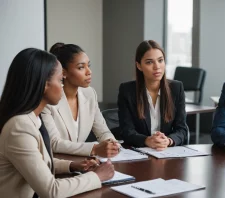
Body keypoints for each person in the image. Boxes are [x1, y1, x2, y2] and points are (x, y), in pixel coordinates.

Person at [0, 48, 115, 197]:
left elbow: (39, 161)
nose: (63, 86)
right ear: (44, 84)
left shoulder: (30, 119)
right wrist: (97, 176)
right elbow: (51, 190)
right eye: (60, 80)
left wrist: (73, 165)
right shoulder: (19, 127)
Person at [41, 43, 119, 157]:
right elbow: (54, 143)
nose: (89, 72)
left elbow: (103, 132)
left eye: (89, 65)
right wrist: (95, 148)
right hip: (56, 163)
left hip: (81, 162)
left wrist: (112, 144)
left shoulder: (90, 94)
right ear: (63, 72)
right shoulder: (49, 100)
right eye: (81, 67)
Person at [118, 40, 188, 149]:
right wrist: (147, 140)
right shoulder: (127, 91)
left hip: (167, 153)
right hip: (140, 153)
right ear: (139, 66)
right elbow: (126, 131)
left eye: (160, 60)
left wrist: (168, 141)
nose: (157, 67)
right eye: (149, 62)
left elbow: (182, 130)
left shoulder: (176, 88)